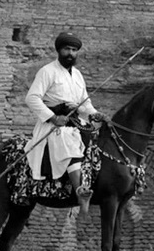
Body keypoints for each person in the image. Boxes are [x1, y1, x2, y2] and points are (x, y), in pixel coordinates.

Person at [24, 32, 99, 212]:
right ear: (59, 50)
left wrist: (96, 114)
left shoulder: (78, 75)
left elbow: (84, 103)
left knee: (96, 144)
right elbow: (32, 98)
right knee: (68, 140)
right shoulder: (47, 71)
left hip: (76, 121)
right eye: (67, 49)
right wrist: (53, 117)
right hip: (54, 124)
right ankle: (80, 190)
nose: (70, 53)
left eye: (74, 50)